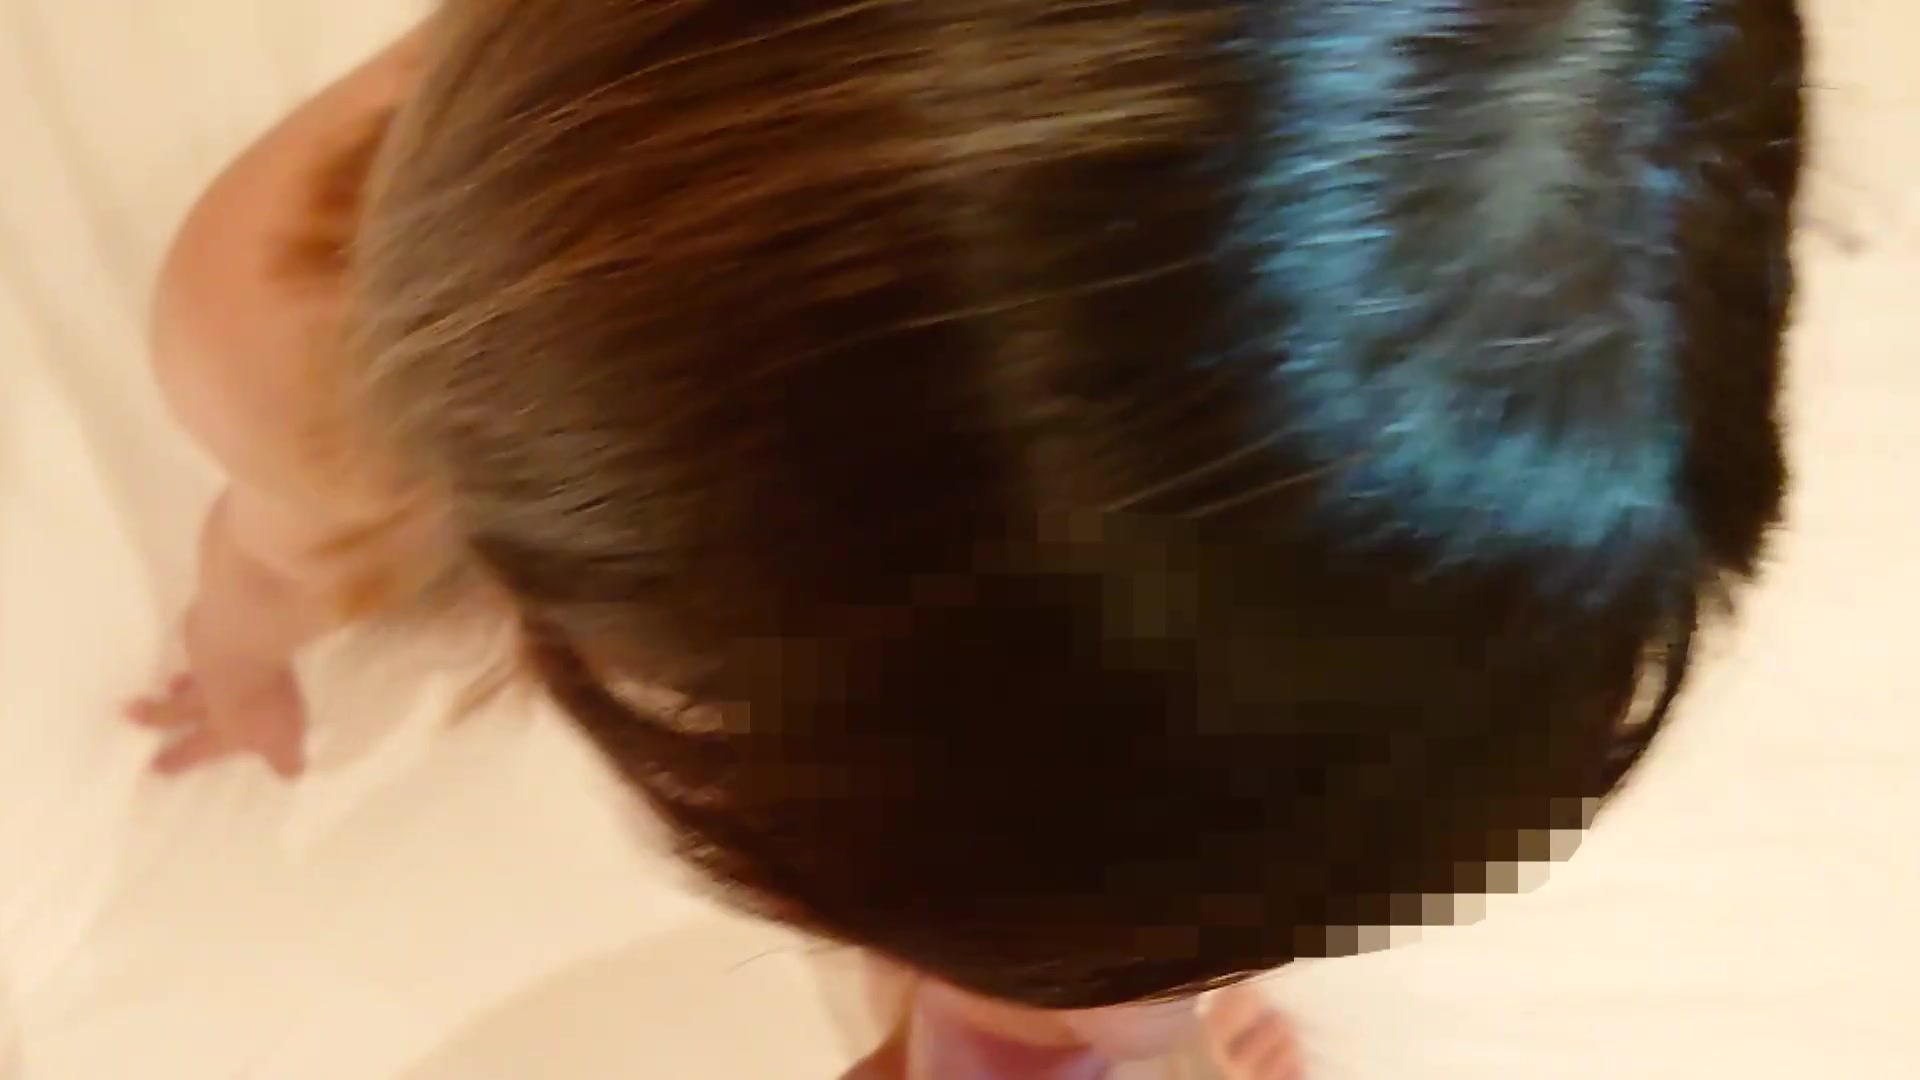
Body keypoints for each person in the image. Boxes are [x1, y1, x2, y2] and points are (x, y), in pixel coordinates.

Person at [127, 1, 1807, 1075]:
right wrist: (241, 653)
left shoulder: (1566, 257)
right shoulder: (291, 340)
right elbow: (278, 550)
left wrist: (1143, 970)